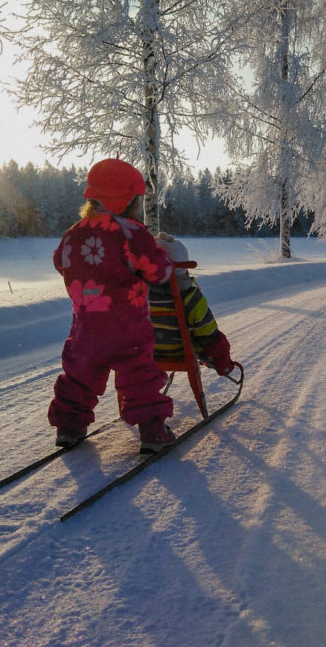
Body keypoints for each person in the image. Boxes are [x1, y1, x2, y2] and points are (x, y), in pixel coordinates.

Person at [48, 158, 178, 454]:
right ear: (129, 200)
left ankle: (69, 426)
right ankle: (152, 430)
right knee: (139, 375)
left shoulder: (73, 233)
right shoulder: (132, 233)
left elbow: (59, 261)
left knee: (79, 375)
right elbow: (158, 271)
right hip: (127, 326)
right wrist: (162, 255)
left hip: (86, 327)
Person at [149, 233, 235, 376]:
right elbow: (208, 332)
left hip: (146, 351)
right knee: (211, 337)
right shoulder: (190, 295)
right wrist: (221, 360)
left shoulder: (138, 293)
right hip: (179, 350)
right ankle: (221, 365)